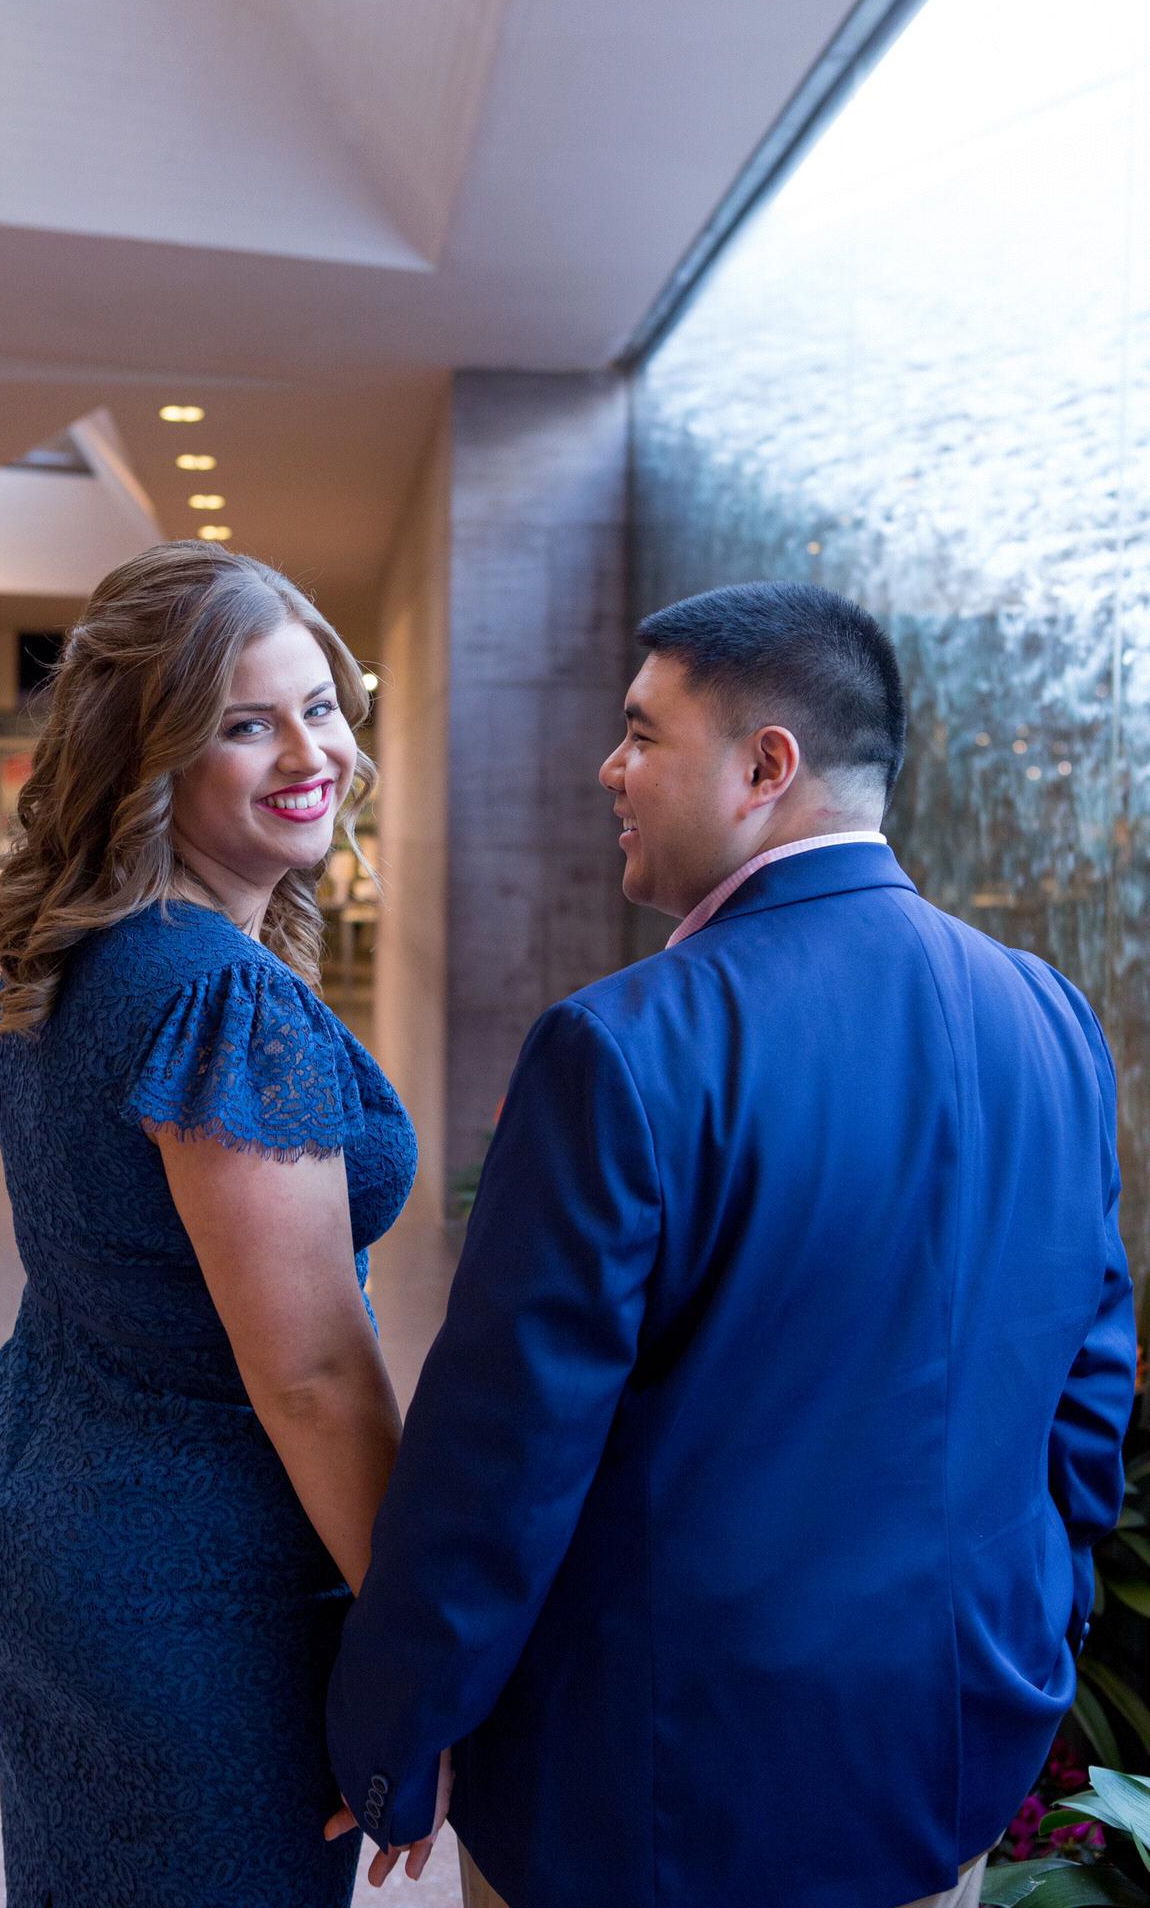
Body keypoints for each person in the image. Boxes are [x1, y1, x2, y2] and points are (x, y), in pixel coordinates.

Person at [325, 581, 1138, 1908]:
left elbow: (502, 1454)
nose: (610, 767)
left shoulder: (625, 1047)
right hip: (946, 1752)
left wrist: (393, 1736)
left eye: (643, 733)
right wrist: (1036, 1621)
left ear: (765, 767)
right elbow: (1085, 1387)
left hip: (657, 1787)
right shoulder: (1047, 1015)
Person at [0, 543, 418, 1907]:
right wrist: (416, 1649)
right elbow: (311, 1374)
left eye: (318, 706)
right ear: (150, 753)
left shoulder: (83, 947)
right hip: (187, 1584)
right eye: (243, 723)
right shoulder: (217, 997)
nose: (305, 752)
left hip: (40, 1511)